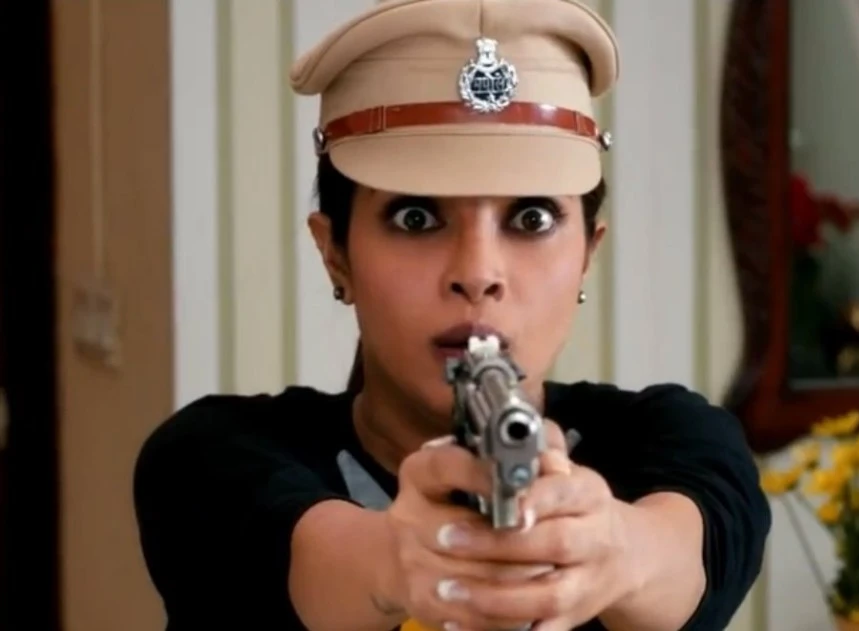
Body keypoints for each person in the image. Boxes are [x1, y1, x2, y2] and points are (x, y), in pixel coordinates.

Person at [132, 0, 771, 630]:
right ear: (335, 255)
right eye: (416, 217)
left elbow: (682, 555)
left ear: (587, 254)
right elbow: (301, 561)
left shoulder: (675, 438)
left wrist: (611, 550)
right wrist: (400, 561)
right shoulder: (211, 458)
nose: (478, 271)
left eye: (531, 218)